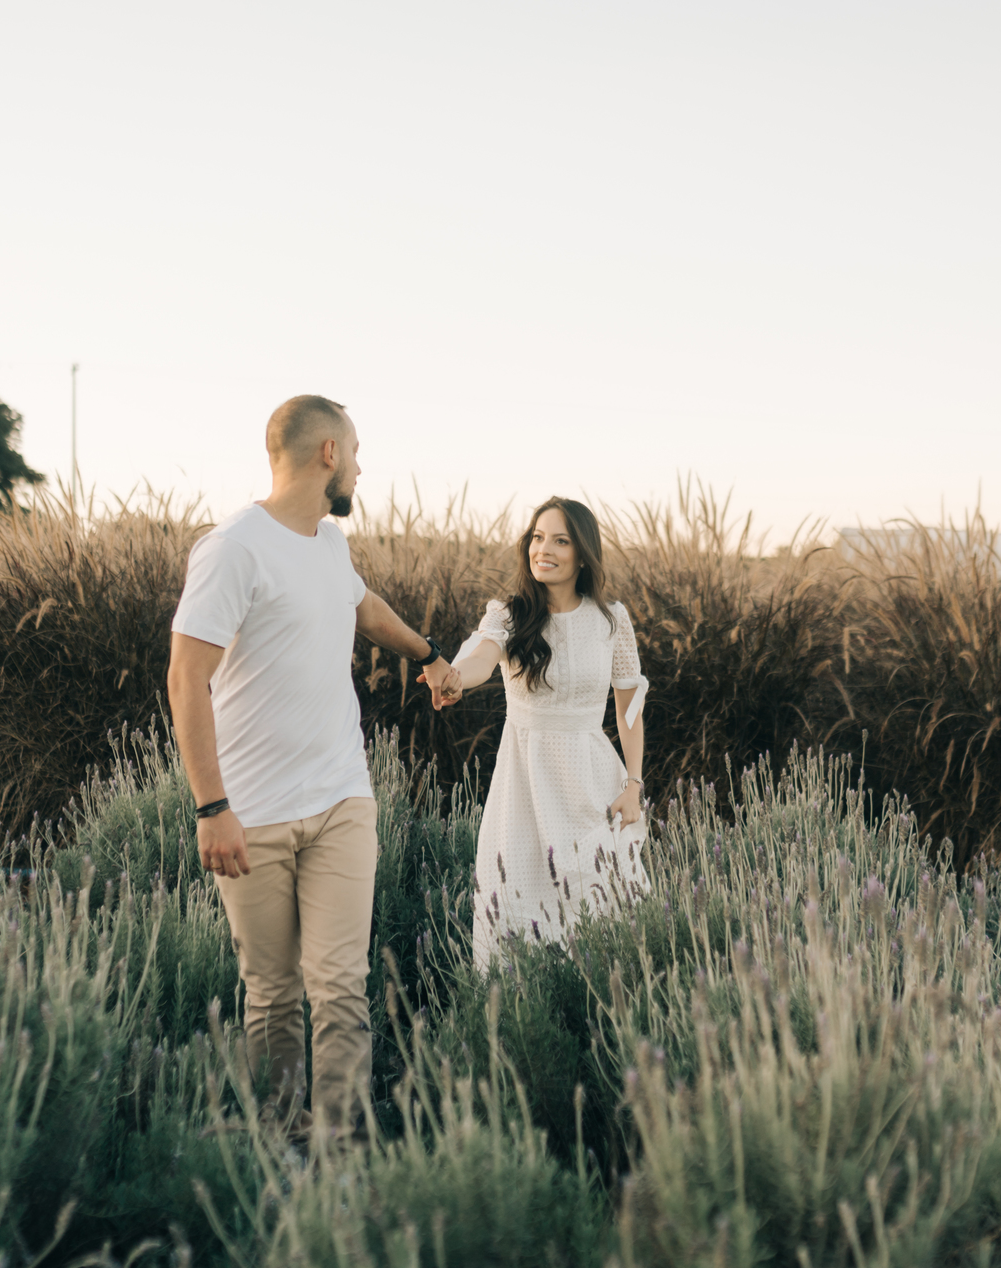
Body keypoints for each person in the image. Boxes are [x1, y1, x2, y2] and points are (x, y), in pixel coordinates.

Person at [167, 395, 451, 1141]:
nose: (361, 466)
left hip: (341, 800)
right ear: (327, 452)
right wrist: (210, 805)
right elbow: (185, 676)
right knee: (271, 992)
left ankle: (341, 1140)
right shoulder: (233, 547)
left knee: (341, 983)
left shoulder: (328, 543)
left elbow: (366, 608)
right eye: (355, 451)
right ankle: (278, 1133)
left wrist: (429, 656)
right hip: (251, 811)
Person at [436, 497, 649, 969]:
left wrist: (633, 785)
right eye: (536, 537)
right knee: (516, 917)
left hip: (594, 786)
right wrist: (453, 677)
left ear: (582, 553)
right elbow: (479, 658)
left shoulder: (612, 620)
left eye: (560, 539)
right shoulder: (509, 614)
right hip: (525, 791)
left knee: (602, 917)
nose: (543, 549)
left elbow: (629, 708)